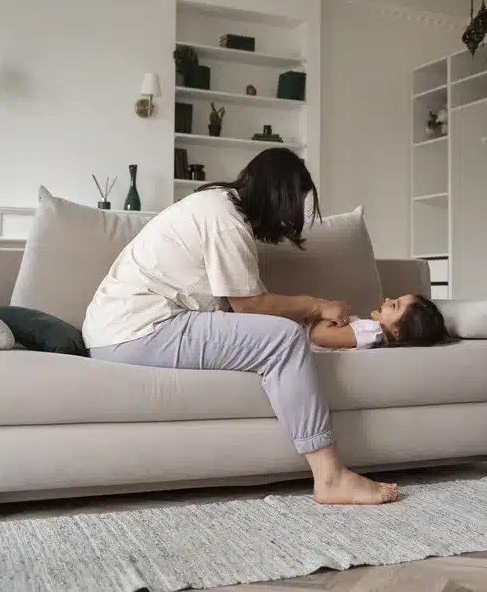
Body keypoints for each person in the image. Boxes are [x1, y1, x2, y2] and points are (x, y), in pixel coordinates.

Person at [82, 148, 398, 505]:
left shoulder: (215, 204)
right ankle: (331, 477)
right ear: (279, 195)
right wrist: (317, 305)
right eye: (295, 203)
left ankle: (330, 475)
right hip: (139, 330)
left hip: (121, 329)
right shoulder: (225, 220)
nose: (293, 215)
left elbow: (246, 306)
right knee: (282, 340)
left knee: (278, 334)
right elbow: (249, 305)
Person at [309, 295, 448, 350]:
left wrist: (326, 310)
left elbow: (317, 336)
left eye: (394, 305)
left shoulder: (373, 331)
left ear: (396, 331)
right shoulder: (372, 332)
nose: (387, 299)